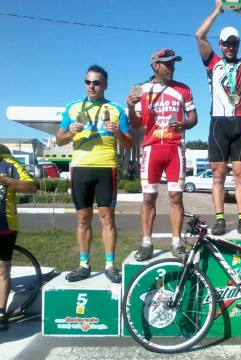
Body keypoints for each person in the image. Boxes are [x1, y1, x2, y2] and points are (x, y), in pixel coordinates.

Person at [56, 65, 133, 283]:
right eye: (88, 82)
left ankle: (110, 265)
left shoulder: (117, 109)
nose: (92, 86)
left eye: (96, 82)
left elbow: (128, 144)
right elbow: (59, 138)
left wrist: (119, 133)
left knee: (107, 217)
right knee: (83, 218)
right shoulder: (72, 108)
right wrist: (69, 133)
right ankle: (83, 265)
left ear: (105, 85)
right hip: (80, 167)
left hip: (105, 167)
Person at [196, 0, 241, 236]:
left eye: (234, 43)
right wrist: (217, 10)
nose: (229, 46)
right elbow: (199, 35)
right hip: (218, 123)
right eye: (226, 43)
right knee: (218, 175)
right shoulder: (212, 62)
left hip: (240, 123)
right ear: (220, 44)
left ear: (238, 45)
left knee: (240, 176)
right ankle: (219, 220)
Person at [126, 49, 198, 261]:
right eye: (166, 63)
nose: (171, 67)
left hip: (175, 149)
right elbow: (137, 123)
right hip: (152, 148)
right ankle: (146, 242)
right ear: (154, 65)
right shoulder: (141, 89)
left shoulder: (183, 89)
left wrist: (184, 123)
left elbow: (194, 118)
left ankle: (176, 243)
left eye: (173, 63)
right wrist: (130, 108)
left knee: (176, 196)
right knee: (149, 197)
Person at [0, 145, 37, 330]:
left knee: (2, 269)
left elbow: (31, 187)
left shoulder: (9, 163)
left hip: (4, 224)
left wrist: (6, 180)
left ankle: (0, 312)